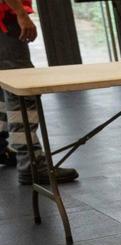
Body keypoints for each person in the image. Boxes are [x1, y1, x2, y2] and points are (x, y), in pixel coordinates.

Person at [0, 0, 78, 184]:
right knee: (22, 90)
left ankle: (1, 148)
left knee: (3, 86)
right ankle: (32, 165)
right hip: (4, 18)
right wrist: (20, 12)